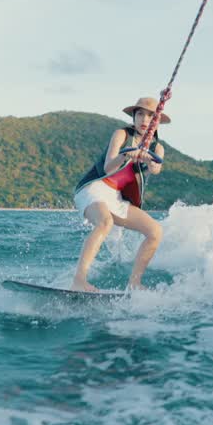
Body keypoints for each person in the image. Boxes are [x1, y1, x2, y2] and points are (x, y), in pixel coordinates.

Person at [70, 96, 169, 291]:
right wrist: (126, 154)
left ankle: (134, 284)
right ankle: (79, 280)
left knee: (155, 232)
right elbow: (108, 167)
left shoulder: (158, 147)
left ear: (156, 121)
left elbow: (155, 169)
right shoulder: (122, 134)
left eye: (150, 116)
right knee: (105, 222)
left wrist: (149, 160)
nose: (144, 120)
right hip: (95, 187)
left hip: (117, 198)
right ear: (134, 116)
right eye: (140, 114)